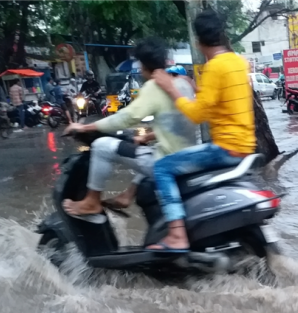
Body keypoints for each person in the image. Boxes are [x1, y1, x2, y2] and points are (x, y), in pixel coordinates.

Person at [147, 9, 255, 252]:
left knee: (161, 167)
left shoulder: (214, 67)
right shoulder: (239, 62)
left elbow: (197, 115)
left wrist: (170, 88)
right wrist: (196, 89)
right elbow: (224, 100)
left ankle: (176, 235)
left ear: (198, 42)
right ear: (222, 34)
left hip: (225, 148)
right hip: (246, 144)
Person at [60, 37, 197, 218]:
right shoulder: (182, 83)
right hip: (188, 157)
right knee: (147, 150)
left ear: (143, 65)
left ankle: (91, 202)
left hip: (169, 163)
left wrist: (85, 127)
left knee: (101, 146)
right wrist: (145, 138)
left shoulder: (154, 87)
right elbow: (176, 125)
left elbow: (126, 118)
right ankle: (128, 195)